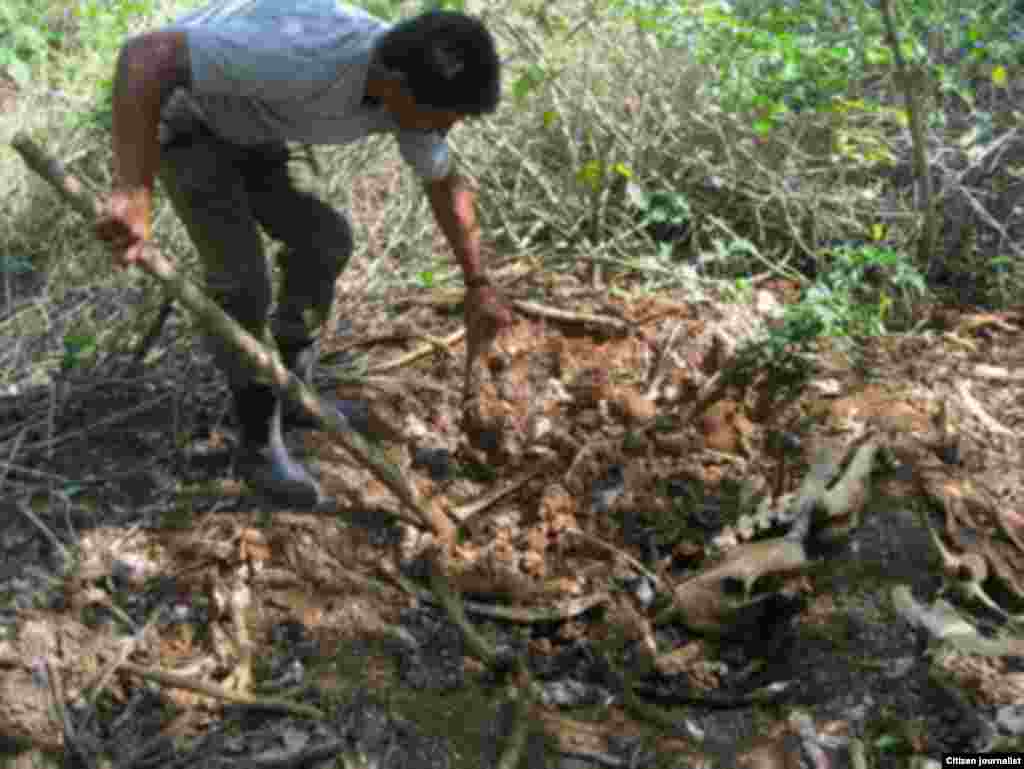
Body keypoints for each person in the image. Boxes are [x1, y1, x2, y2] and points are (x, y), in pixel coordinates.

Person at [94, 0, 513, 508]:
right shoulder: (302, 55)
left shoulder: (411, 94)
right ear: (396, 85)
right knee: (242, 283)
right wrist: (133, 189)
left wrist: (479, 283)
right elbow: (144, 56)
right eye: (444, 118)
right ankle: (256, 439)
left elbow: (444, 184)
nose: (446, 130)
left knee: (325, 240)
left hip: (262, 125)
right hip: (192, 120)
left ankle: (296, 392)